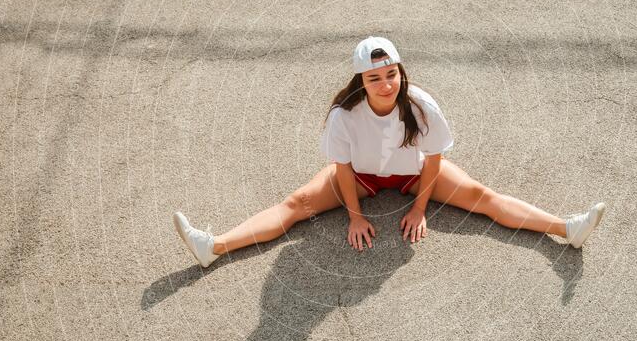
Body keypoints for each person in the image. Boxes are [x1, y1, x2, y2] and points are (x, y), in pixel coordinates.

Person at [173, 36, 606, 268]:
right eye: (376, 77)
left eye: (391, 73)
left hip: (415, 174)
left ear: (400, 70)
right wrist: (356, 215)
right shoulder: (344, 114)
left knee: (482, 198)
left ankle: (567, 228)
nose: (387, 83)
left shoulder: (421, 104)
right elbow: (340, 168)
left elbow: (434, 159)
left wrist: (419, 209)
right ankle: (215, 246)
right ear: (361, 79)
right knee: (297, 204)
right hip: (360, 177)